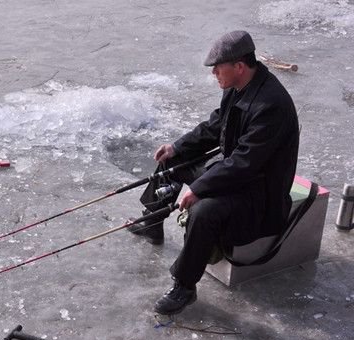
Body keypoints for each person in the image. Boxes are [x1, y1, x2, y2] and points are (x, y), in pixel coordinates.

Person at [128, 31, 300, 315]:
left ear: (239, 67)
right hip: (237, 176)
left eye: (218, 68)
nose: (214, 75)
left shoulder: (271, 105)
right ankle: (152, 222)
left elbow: (245, 162)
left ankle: (184, 286)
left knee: (203, 211)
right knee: (175, 161)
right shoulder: (238, 87)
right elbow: (215, 127)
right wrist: (176, 146)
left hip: (259, 195)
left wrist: (199, 188)